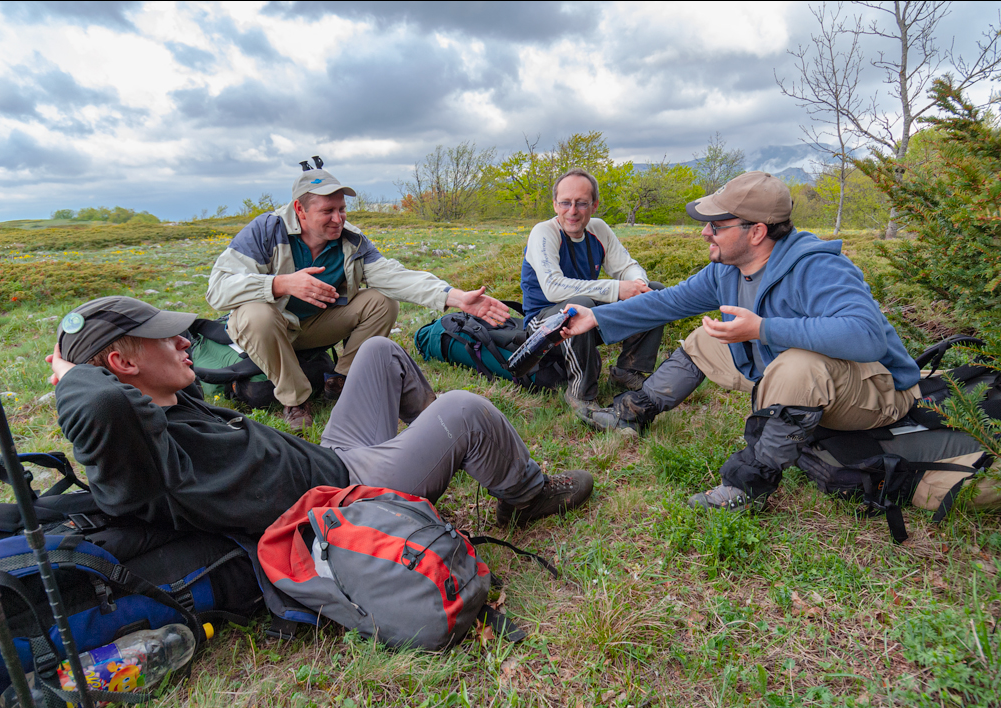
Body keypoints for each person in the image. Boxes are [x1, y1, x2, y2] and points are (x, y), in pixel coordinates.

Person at [49, 296, 593, 537]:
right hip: (344, 498)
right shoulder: (138, 441)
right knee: (465, 408)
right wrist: (71, 371)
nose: (181, 339)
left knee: (379, 351)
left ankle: (456, 450)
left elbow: (119, 390)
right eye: (161, 338)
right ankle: (525, 495)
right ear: (120, 365)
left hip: (330, 458)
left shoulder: (165, 400)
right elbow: (100, 401)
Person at [559, 171, 921, 512]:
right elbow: (668, 302)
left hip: (879, 395)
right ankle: (631, 415)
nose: (705, 233)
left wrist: (763, 329)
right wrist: (597, 318)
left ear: (757, 231)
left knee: (799, 366)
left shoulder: (817, 268)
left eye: (717, 225)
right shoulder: (727, 268)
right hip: (802, 380)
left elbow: (867, 336)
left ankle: (748, 485)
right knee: (708, 336)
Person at [206, 159, 510, 430]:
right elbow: (217, 288)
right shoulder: (265, 231)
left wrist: (455, 297)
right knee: (255, 314)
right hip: (270, 327)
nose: (338, 219)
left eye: (341, 209)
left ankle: (340, 381)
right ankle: (295, 399)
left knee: (381, 302)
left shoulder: (351, 240)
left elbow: (393, 276)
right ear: (300, 209)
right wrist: (280, 284)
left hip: (313, 326)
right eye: (327, 211)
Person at [521, 168, 664, 419]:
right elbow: (553, 287)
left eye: (581, 203)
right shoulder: (543, 232)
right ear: (555, 204)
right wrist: (617, 289)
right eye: (565, 202)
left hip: (585, 316)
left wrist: (639, 285)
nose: (572, 211)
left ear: (594, 205)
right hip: (543, 324)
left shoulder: (598, 229)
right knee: (577, 305)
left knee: (654, 292)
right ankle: (580, 394)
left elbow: (626, 267)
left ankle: (628, 370)